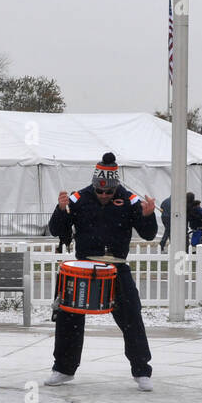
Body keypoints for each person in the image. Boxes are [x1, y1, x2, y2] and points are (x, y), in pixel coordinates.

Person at [45, 153, 158, 390]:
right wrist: (60, 209)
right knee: (69, 316)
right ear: (94, 185)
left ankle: (141, 371)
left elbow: (148, 234)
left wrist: (149, 216)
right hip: (85, 266)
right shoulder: (77, 198)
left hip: (117, 266)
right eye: (100, 191)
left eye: (109, 192)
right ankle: (63, 369)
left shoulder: (131, 200)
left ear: (116, 186)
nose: (104, 195)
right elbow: (57, 229)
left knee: (132, 316)